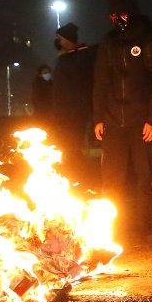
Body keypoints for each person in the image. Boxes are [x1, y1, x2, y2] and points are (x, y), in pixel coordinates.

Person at [93, 0, 152, 242]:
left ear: (133, 12)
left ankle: (148, 225)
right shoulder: (108, 43)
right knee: (111, 180)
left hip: (143, 122)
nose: (118, 20)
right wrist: (98, 117)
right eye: (113, 15)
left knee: (145, 176)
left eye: (122, 14)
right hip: (113, 122)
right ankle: (112, 230)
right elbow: (100, 83)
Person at [52, 22, 97, 182]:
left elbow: (82, 86)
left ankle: (78, 178)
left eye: (59, 38)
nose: (56, 41)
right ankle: (74, 177)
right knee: (68, 148)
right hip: (65, 113)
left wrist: (82, 109)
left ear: (67, 40)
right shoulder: (66, 58)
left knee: (72, 148)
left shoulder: (80, 57)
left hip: (74, 113)